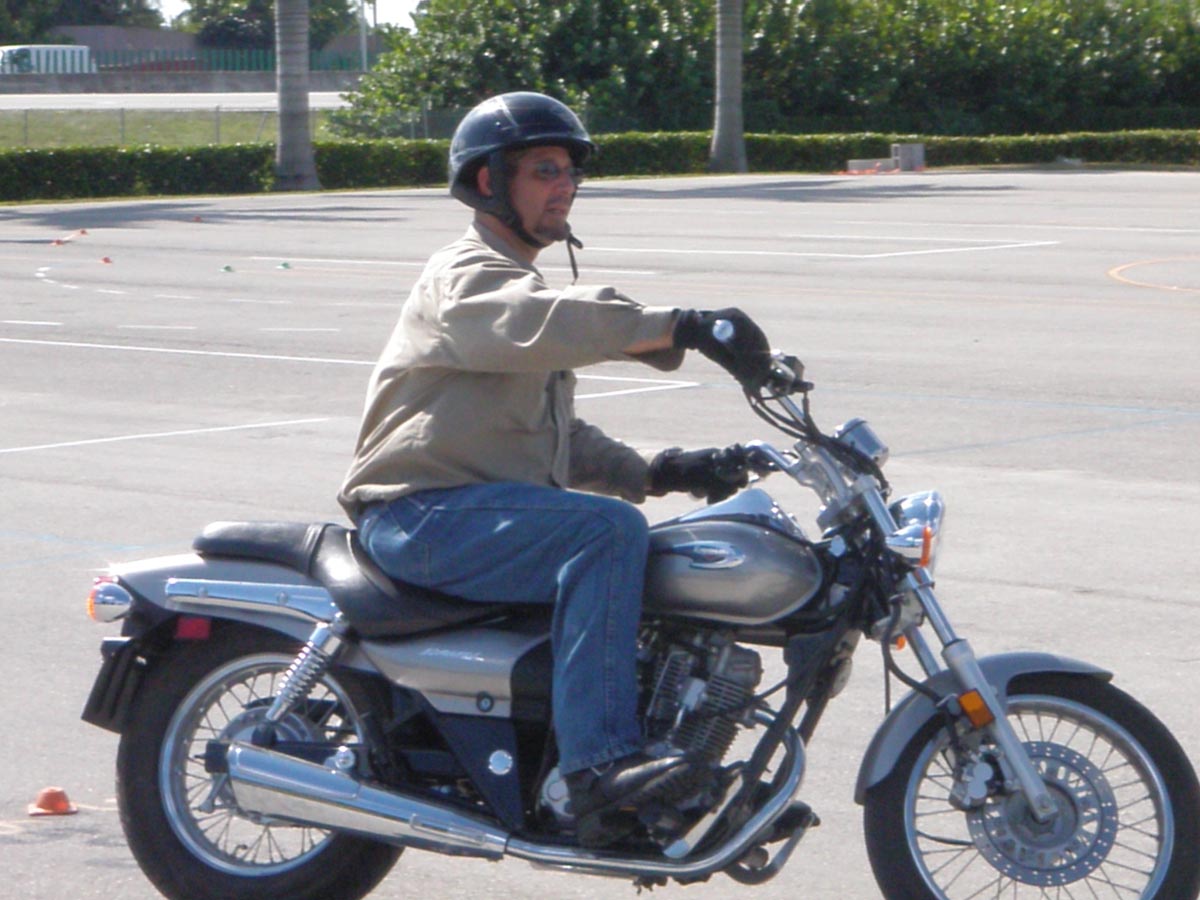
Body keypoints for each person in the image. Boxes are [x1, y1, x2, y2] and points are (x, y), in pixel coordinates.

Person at [338, 91, 773, 847]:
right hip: (419, 515)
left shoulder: (520, 288)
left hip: (474, 515)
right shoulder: (466, 276)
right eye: (544, 170)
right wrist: (679, 325)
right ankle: (598, 770)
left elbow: (554, 436)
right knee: (606, 534)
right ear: (487, 182)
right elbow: (532, 321)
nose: (565, 186)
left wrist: (663, 469)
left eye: (571, 172)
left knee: (653, 551)